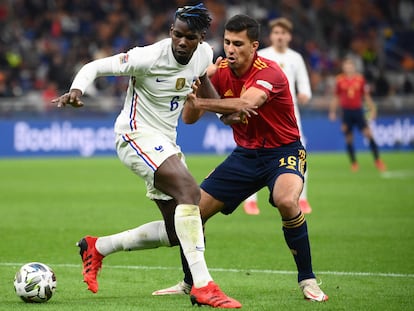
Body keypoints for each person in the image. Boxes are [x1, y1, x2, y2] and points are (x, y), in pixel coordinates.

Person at [51, 4, 256, 308]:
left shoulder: (202, 56)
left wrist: (226, 116)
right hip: (134, 136)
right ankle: (204, 286)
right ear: (171, 32)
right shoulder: (148, 56)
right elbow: (94, 66)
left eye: (189, 37)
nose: (181, 42)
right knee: (190, 193)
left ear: (200, 37)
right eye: (177, 35)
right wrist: (77, 90)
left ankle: (98, 247)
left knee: (178, 230)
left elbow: (205, 88)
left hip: (165, 144)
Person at [154, 14, 328, 302]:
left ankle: (307, 279)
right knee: (193, 211)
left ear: (254, 46)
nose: (230, 49)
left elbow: (247, 102)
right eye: (226, 42)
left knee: (286, 201)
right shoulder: (220, 70)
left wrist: (205, 103)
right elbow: (190, 117)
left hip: (283, 151)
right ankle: (190, 282)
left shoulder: (269, 72)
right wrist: (196, 84)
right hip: (245, 156)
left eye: (237, 43)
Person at [242, 17, 313, 215]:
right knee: (252, 153)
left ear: (289, 36)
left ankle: (302, 198)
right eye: (276, 33)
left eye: (283, 33)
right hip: (261, 115)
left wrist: (305, 94)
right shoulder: (261, 56)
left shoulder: (296, 58)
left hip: (289, 116)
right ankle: (250, 201)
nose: (279, 36)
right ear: (271, 36)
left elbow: (305, 86)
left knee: (299, 154)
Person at [329, 56, 386, 172]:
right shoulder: (340, 80)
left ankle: (377, 160)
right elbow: (336, 97)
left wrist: (373, 109)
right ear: (344, 67)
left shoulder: (360, 80)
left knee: (369, 134)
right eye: (346, 65)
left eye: (350, 65)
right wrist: (332, 111)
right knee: (349, 139)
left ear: (353, 67)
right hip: (346, 113)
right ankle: (354, 163)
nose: (348, 67)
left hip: (358, 111)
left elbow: (366, 96)